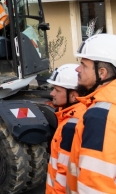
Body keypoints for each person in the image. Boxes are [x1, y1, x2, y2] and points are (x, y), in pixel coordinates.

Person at [65, 33, 116, 194]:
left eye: (83, 65)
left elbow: (94, 186)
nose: (77, 69)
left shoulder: (101, 116)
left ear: (102, 73)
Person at [45, 64, 85, 194]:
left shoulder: (71, 126)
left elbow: (64, 174)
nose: (52, 93)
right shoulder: (74, 116)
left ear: (73, 96)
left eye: (57, 90)